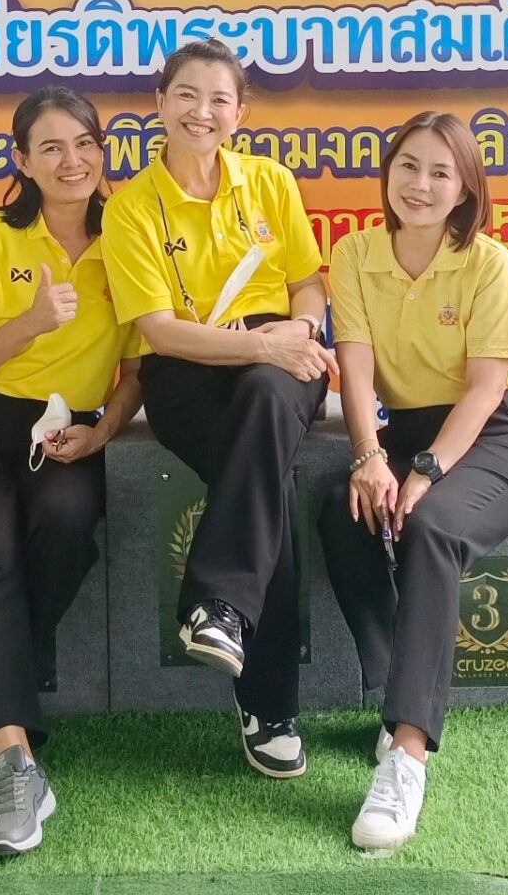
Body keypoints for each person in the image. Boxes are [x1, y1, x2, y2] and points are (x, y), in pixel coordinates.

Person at [0, 86, 142, 857]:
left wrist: (104, 429)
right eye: (50, 147)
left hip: (69, 428)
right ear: (22, 161)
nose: (71, 161)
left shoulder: (129, 239)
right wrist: (30, 324)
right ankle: (15, 761)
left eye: (84, 144)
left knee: (67, 521)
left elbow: (138, 367)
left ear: (103, 152)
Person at [101, 38, 329, 778]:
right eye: (186, 95)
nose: (202, 112)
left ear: (241, 113)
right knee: (265, 479)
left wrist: (301, 331)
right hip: (188, 370)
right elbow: (161, 331)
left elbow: (307, 283)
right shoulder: (130, 209)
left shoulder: (270, 182)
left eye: (219, 99)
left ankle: (219, 608)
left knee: (264, 402)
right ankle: (269, 704)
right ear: (159, 102)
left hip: (282, 359)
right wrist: (262, 347)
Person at [318, 110, 508, 850]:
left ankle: (408, 756)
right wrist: (368, 456)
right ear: (388, 173)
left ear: (465, 189)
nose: (419, 184)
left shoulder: (488, 262)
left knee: (432, 526)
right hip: (403, 434)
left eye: (440, 172)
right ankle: (397, 695)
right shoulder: (354, 253)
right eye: (408, 166)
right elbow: (354, 371)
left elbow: (485, 388)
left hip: (491, 440)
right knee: (341, 511)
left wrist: (427, 472)